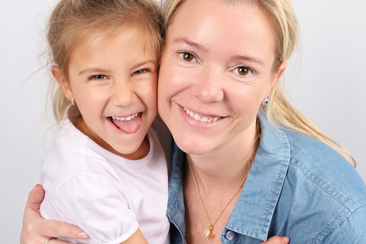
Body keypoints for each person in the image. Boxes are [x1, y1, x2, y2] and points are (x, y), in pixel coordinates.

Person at [21, 0, 366, 243]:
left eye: (242, 68)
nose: (206, 92)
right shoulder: (146, 137)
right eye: (188, 56)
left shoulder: (336, 216)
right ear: (162, 53)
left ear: (273, 79)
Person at [28, 0, 172, 243]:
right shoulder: (84, 179)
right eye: (99, 76)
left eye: (140, 71)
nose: (125, 98)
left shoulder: (160, 121)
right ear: (65, 83)